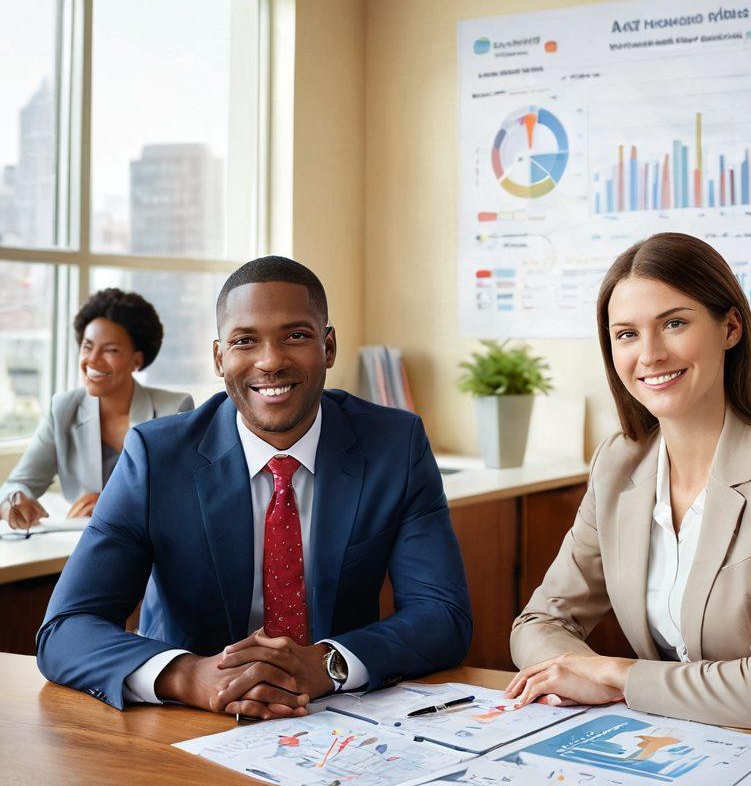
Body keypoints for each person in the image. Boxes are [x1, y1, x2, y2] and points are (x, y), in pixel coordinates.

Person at [37, 255, 472, 717]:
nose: (270, 361)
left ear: (328, 347)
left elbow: (441, 614)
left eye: (296, 336)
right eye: (245, 341)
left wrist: (327, 665)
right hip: (189, 720)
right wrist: (189, 676)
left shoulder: (395, 445)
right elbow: (66, 629)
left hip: (334, 715)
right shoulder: (156, 456)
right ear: (219, 358)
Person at [507, 232, 751, 730]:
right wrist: (583, 673)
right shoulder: (617, 464)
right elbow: (538, 623)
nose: (649, 355)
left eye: (673, 323)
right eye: (627, 334)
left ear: (730, 328)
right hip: (672, 736)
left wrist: (615, 675)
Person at [0, 288, 193, 530]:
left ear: (137, 360)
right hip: (81, 542)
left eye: (110, 350)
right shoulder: (63, 410)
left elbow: (186, 497)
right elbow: (17, 484)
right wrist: (13, 501)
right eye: (87, 347)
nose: (92, 360)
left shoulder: (174, 410)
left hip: (152, 546)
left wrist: (114, 504)